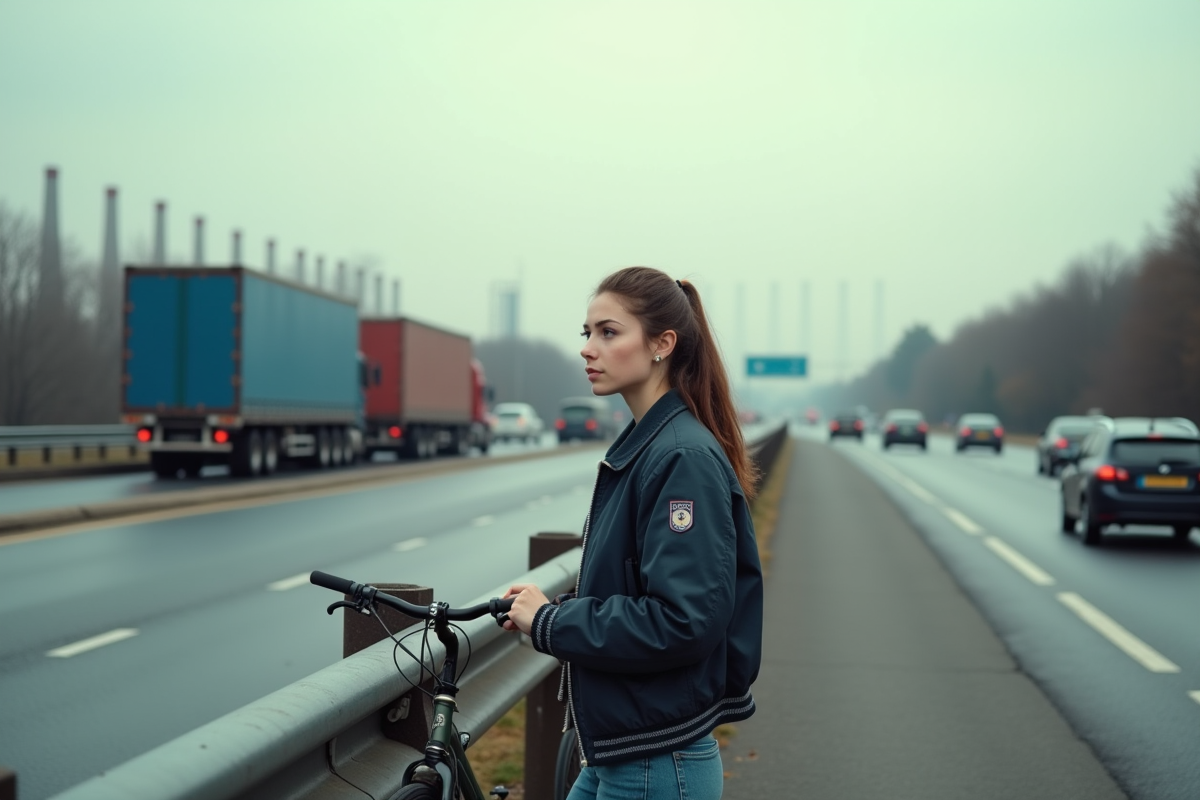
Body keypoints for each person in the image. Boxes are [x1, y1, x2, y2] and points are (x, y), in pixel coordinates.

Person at [501, 266, 765, 800]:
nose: (588, 349)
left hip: (657, 760)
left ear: (662, 344)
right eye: (587, 333)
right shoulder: (651, 447)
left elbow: (682, 619)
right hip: (621, 747)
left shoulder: (681, 458)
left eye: (609, 332)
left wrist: (552, 621)